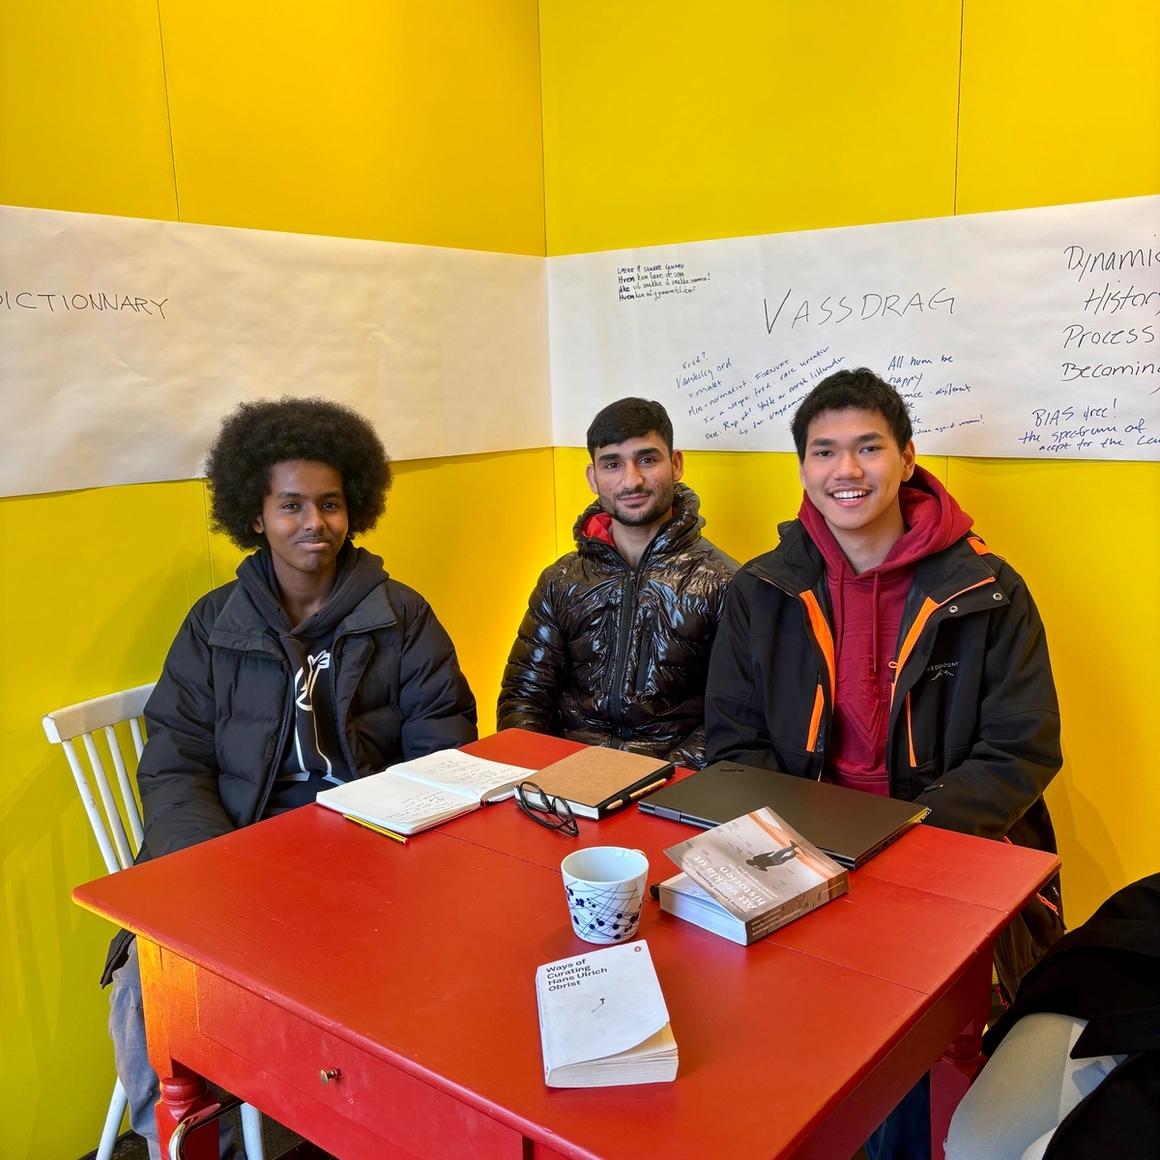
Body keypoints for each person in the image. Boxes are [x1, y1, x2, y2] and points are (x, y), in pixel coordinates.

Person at [704, 367, 1064, 1160]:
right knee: (763, 1043)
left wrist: (905, 843)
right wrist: (802, 854)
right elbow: (733, 746)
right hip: (798, 854)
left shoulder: (990, 590)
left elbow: (1021, 747)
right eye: (825, 451)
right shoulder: (760, 591)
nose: (848, 470)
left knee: (909, 1058)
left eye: (868, 447)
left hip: (941, 853)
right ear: (802, 468)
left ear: (906, 457)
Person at [104, 397, 477, 1158]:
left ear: (356, 508)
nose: (315, 523)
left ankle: (353, 1123)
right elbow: (175, 758)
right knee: (149, 983)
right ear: (256, 513)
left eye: (331, 503)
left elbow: (444, 748)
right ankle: (190, 1137)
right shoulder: (212, 626)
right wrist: (213, 868)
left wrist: (373, 846)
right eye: (291, 505)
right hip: (235, 860)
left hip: (369, 858)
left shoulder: (402, 618)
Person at [498, 397, 736, 768]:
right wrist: (538, 775)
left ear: (676, 465)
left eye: (647, 459)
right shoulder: (560, 580)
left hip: (670, 786)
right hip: (567, 776)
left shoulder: (724, 583)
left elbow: (731, 717)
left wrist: (664, 785)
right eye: (613, 464)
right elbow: (525, 698)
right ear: (593, 478)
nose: (632, 480)